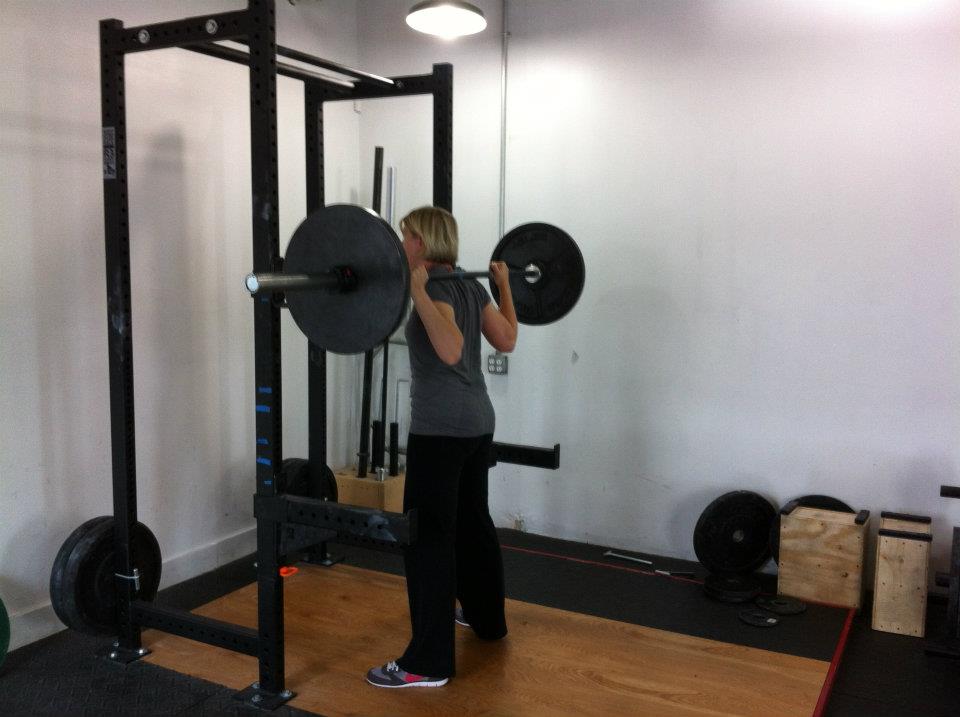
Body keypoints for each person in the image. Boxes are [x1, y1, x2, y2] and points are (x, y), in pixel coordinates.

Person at [366, 206, 518, 688]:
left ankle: (427, 663)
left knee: (428, 539)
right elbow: (507, 338)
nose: (401, 244)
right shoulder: (470, 284)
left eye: (406, 236)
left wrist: (418, 293)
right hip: (477, 424)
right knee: (473, 525)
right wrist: (505, 287)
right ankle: (487, 620)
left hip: (440, 431)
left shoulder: (433, 287)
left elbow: (450, 349)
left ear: (423, 243)